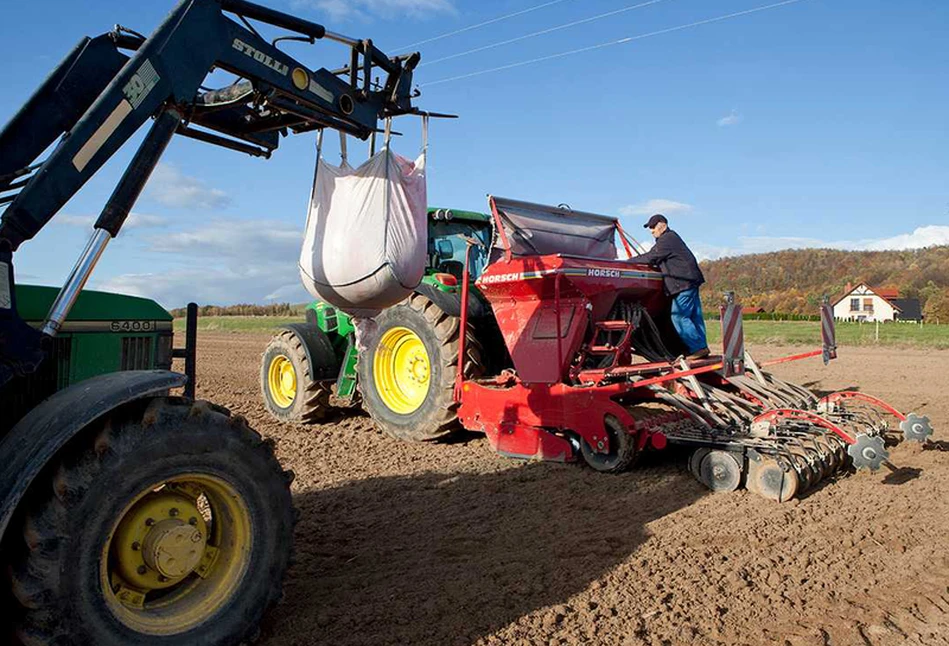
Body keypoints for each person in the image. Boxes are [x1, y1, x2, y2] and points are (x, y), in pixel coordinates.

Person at [627, 214, 710, 359]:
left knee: (678, 316)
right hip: (690, 281)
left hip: (683, 282)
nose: (651, 231)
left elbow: (651, 256)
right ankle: (701, 347)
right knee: (694, 316)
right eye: (650, 228)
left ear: (662, 225)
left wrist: (627, 262)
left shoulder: (667, 239)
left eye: (653, 227)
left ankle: (698, 348)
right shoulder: (671, 238)